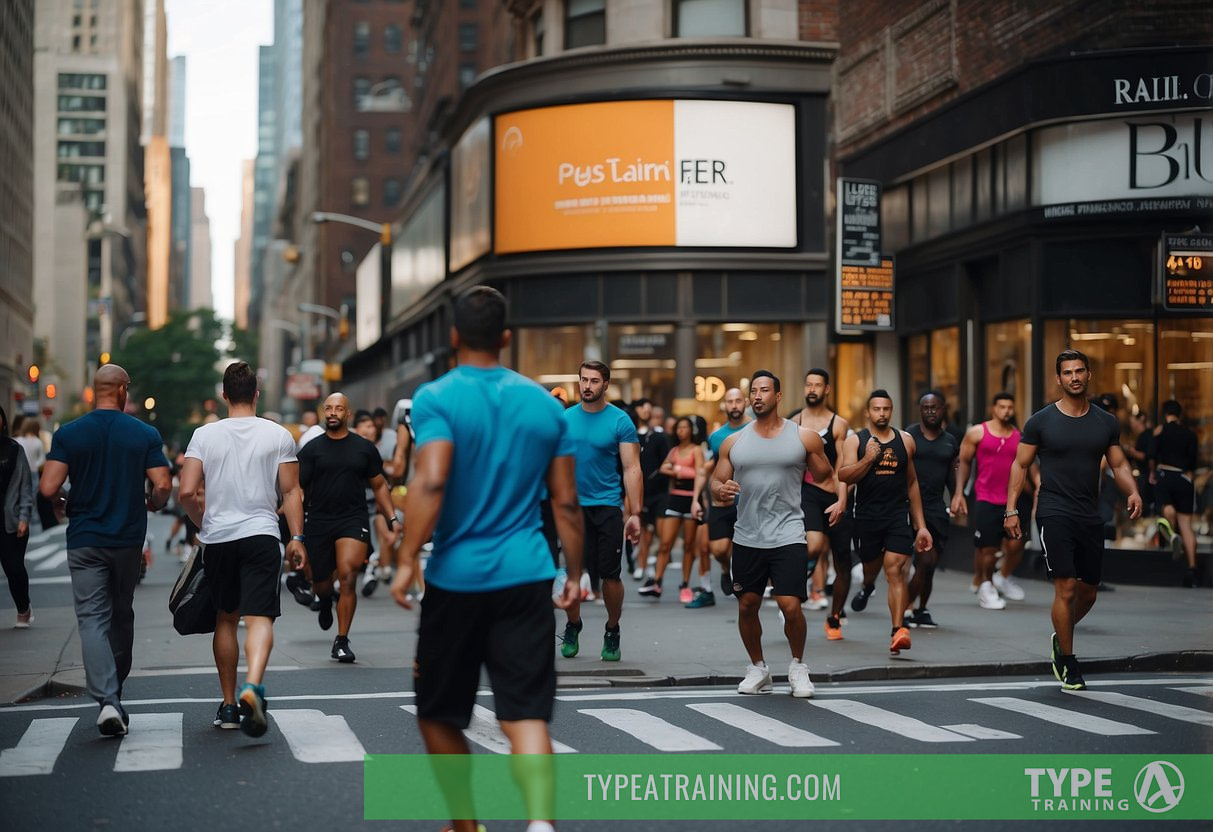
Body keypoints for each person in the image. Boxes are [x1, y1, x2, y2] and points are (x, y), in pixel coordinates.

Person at [390, 286, 583, 832]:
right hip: (527, 576)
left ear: (453, 337)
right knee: (524, 715)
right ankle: (540, 824)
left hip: (457, 579)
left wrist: (407, 557)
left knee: (438, 711)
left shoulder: (436, 399)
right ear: (506, 337)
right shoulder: (548, 408)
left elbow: (430, 477)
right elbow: (566, 503)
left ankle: (466, 822)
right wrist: (574, 574)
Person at [39, 364, 172, 736]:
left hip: (84, 538)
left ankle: (108, 699)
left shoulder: (71, 433)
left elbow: (48, 488)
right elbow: (162, 485)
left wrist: (67, 498)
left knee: (92, 619)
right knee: (121, 613)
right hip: (127, 538)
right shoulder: (143, 433)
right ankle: (116, 691)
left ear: (96, 389)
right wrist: (153, 502)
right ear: (124, 391)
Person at [178, 361, 307, 737]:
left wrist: (202, 523)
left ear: (223, 395)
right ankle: (254, 685)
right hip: (263, 536)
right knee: (261, 617)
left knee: (226, 619)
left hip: (219, 539)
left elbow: (186, 492)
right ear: (256, 394)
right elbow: (290, 492)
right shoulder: (278, 435)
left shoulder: (204, 435)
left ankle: (230, 704)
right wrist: (297, 537)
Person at [1005, 349, 1142, 691]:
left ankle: (1061, 632)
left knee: (1089, 592)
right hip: (1053, 510)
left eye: (1080, 371)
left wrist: (1133, 491)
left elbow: (1119, 464)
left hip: (1089, 513)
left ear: (1088, 375)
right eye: (1067, 373)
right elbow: (1020, 465)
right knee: (1065, 587)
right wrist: (1010, 509)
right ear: (1059, 379)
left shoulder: (1105, 422)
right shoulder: (1040, 421)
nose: (1074, 377)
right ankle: (1068, 660)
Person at [710, 370, 834, 698]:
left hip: (789, 533)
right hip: (747, 534)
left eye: (764, 390)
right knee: (747, 604)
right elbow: (714, 485)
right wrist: (722, 490)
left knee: (790, 605)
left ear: (778, 397)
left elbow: (826, 477)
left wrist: (832, 502)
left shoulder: (803, 437)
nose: (757, 396)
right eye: (754, 391)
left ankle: (797, 666)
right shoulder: (733, 442)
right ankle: (758, 668)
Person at [297, 393, 398, 663]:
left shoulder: (363, 448)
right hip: (318, 521)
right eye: (328, 408)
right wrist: (294, 529)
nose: (332, 413)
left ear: (347, 414)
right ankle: (325, 599)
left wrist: (392, 519)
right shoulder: (311, 449)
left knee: (348, 574)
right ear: (323, 412)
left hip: (353, 519)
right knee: (320, 584)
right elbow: (297, 489)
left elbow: (379, 485)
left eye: (338, 408)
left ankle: (341, 640)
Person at [837, 390, 933, 656]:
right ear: (868, 412)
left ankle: (898, 631)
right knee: (871, 569)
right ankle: (868, 586)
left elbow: (911, 482)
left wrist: (921, 525)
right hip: (866, 518)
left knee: (896, 571)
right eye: (876, 409)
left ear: (892, 411)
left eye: (886, 409)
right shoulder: (855, 441)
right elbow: (844, 476)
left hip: (896, 518)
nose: (881, 413)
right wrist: (868, 458)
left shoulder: (906, 441)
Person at [559, 360, 642, 662]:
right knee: (571, 573)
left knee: (610, 575)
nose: (587, 386)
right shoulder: (565, 419)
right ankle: (572, 625)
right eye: (583, 380)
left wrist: (635, 513)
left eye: (594, 381)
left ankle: (612, 629)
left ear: (606, 385)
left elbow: (632, 468)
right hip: (573, 507)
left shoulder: (620, 421)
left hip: (607, 506)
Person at [952, 392, 1034, 609]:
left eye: (1010, 407)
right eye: (1002, 406)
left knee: (1016, 545)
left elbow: (1029, 465)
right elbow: (964, 462)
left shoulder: (1020, 436)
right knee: (987, 549)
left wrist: (1038, 487)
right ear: (993, 408)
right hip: (986, 498)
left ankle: (1002, 576)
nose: (1006, 411)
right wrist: (959, 492)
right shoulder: (977, 432)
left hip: (1013, 500)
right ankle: (985, 584)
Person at [789, 369, 853, 639]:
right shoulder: (795, 422)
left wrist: (841, 499)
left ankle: (835, 617)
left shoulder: (839, 424)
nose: (812, 389)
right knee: (813, 545)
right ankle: (791, 593)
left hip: (836, 494)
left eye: (817, 385)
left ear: (827, 389)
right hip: (808, 492)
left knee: (842, 564)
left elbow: (843, 465)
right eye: (808, 385)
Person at [692, 388, 751, 605]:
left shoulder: (755, 429)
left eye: (738, 401)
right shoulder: (716, 437)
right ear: (724, 405)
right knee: (718, 550)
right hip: (722, 500)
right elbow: (711, 468)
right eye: (730, 401)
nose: (734, 405)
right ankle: (726, 569)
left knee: (748, 548)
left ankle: (748, 585)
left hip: (749, 500)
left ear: (745, 402)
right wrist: (698, 498)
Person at [904, 391, 958, 628]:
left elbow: (951, 475)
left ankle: (920, 610)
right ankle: (904, 608)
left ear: (943, 409)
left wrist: (957, 496)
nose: (930, 411)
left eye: (935, 407)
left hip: (936, 507)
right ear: (920, 410)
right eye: (926, 407)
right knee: (924, 561)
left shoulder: (950, 441)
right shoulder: (910, 435)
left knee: (931, 564)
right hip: (910, 506)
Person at [639, 417, 704, 601]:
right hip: (674, 499)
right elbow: (663, 468)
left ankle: (685, 585)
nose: (682, 431)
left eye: (685, 427)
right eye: (679, 428)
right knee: (665, 543)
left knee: (689, 546)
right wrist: (678, 470)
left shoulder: (696, 450)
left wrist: (695, 499)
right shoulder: (674, 450)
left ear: (691, 431)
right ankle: (657, 582)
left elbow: (699, 474)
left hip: (691, 499)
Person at [1151, 399, 1201, 587]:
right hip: (1184, 479)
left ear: (1165, 414)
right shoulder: (1190, 435)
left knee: (1166, 510)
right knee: (1187, 526)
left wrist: (1153, 473)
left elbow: (1151, 455)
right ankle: (1192, 569)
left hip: (1166, 475)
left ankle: (1170, 531)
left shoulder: (1161, 431)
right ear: (1180, 415)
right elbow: (1193, 465)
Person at [1, 406, 34, 628]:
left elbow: (25, 486)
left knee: (14, 568)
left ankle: (23, 608)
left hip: (10, 520)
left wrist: (24, 516)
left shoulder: (13, 449)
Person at [632, 398, 669, 582]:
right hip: (641, 492)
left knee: (662, 532)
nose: (646, 412)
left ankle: (656, 563)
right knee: (644, 532)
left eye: (650, 410)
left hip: (660, 492)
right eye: (643, 408)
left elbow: (667, 462)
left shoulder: (660, 437)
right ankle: (642, 565)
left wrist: (658, 474)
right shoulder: (631, 435)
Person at [15, 419, 56, 531]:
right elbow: (41, 460)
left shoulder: (18, 440)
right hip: (33, 472)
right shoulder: (37, 442)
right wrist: (33, 464)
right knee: (32, 496)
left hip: (19, 471)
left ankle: (20, 516)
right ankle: (31, 517)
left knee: (19, 493)